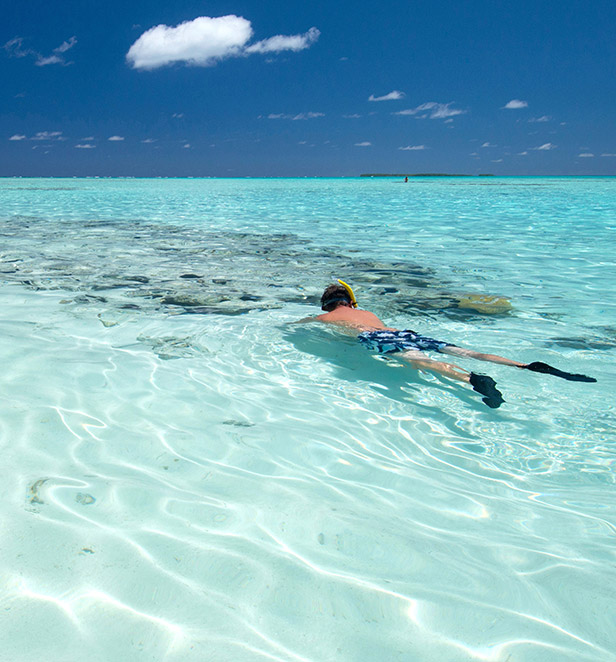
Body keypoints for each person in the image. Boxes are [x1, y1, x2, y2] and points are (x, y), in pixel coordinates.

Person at [298, 281, 596, 408]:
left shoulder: (325, 320)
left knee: (421, 361)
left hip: (376, 338)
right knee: (459, 350)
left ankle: (470, 378)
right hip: (401, 330)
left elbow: (298, 327)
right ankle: (523, 365)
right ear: (351, 301)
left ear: (327, 306)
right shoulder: (367, 312)